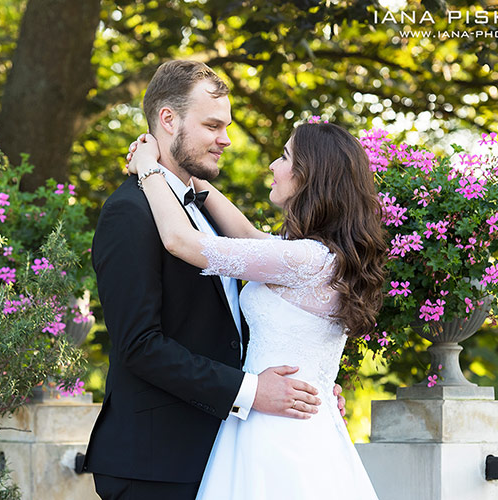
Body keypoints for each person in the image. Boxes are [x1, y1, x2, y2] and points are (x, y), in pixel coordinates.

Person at [82, 60, 339, 500]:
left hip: (224, 452)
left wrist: (310, 382)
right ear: (168, 119)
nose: (226, 140)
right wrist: (255, 390)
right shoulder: (131, 212)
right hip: (155, 462)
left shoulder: (206, 214)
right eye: (213, 125)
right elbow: (140, 345)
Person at [126, 119, 387, 499]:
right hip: (288, 421)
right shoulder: (316, 255)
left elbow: (180, 240)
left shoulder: (306, 260)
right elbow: (248, 237)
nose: (272, 167)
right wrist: (192, 180)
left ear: (308, 176)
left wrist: (149, 167)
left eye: (284, 157)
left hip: (279, 434)